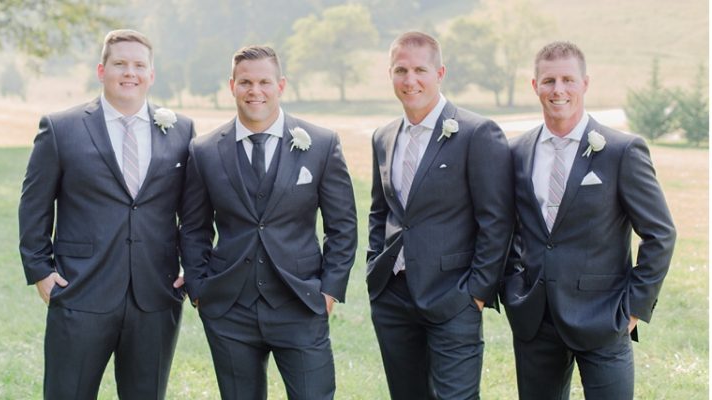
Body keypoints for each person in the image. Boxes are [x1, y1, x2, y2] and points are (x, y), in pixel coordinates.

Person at [18, 29, 195, 399]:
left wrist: (192, 269)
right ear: (101, 71)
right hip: (81, 290)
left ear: (151, 74)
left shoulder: (181, 130)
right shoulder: (61, 128)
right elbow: (34, 204)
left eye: (139, 65)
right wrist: (40, 271)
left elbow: (192, 211)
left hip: (155, 296)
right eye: (120, 64)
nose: (130, 72)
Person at [179, 45, 357, 399]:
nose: (255, 91)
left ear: (281, 85)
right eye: (245, 82)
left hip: (300, 301)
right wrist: (199, 290)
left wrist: (328, 291)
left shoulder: (321, 144)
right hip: (229, 309)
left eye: (264, 82)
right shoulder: (204, 150)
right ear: (232, 86)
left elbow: (343, 226)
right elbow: (194, 228)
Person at [500, 41, 676, 399]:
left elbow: (660, 234)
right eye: (549, 81)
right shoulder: (516, 152)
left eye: (568, 79)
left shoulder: (621, 151)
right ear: (535, 86)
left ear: (585, 83)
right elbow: (505, 229)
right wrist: (513, 287)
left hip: (604, 317)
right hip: (535, 319)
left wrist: (634, 308)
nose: (558, 90)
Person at [366, 31, 514, 399]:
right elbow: (380, 211)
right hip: (393, 297)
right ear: (390, 74)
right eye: (401, 70)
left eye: (420, 70)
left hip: (453, 296)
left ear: (440, 73)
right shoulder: (383, 136)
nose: (410, 80)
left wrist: (476, 292)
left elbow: (497, 221)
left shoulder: (477, 133)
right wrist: (374, 269)